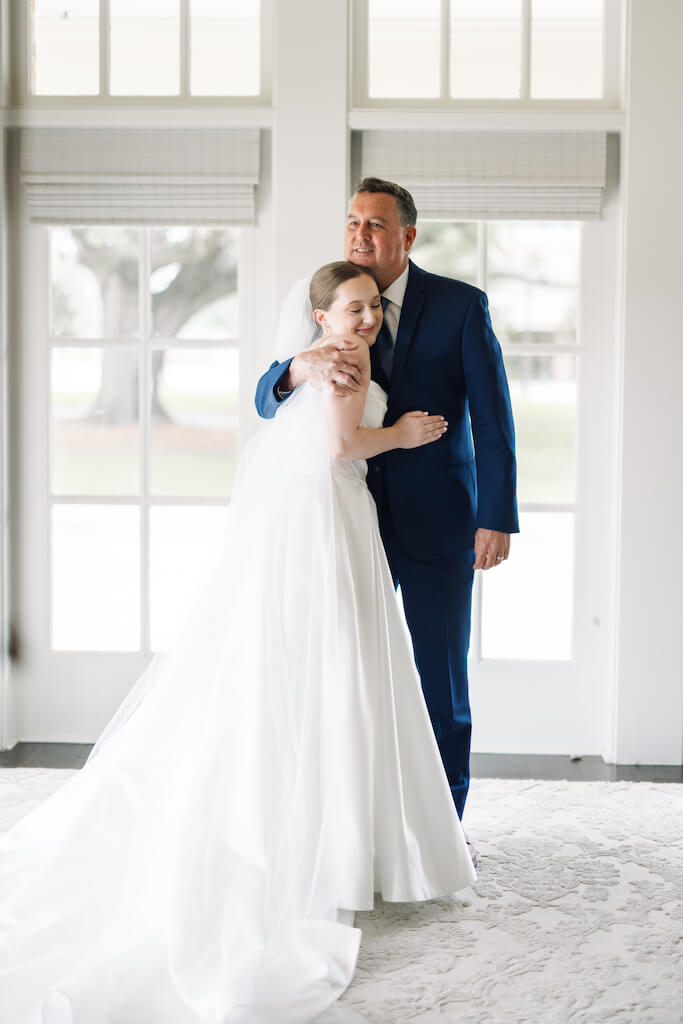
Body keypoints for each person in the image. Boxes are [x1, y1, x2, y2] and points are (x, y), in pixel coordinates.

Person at [0, 261, 476, 1024]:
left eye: (370, 309)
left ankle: (350, 832)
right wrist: (405, 432)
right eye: (351, 309)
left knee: (331, 666)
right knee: (343, 665)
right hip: (332, 514)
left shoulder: (352, 349)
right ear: (318, 316)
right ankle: (344, 846)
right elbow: (335, 445)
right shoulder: (333, 361)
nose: (366, 320)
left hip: (325, 518)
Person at [256, 178, 519, 841]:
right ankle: (353, 826)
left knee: (439, 683)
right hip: (346, 523)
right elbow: (265, 396)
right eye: (351, 222)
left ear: (406, 236)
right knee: (349, 675)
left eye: (373, 225)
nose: (358, 235)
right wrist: (299, 370)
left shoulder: (461, 306)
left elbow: (492, 420)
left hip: (439, 522)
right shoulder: (321, 298)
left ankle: (441, 834)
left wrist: (495, 517)